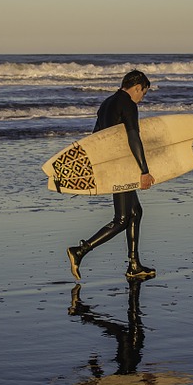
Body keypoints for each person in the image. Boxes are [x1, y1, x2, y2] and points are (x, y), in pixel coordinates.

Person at [67, 70, 157, 281]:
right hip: (120, 167)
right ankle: (80, 251)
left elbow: (96, 137)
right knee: (123, 218)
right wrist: (144, 171)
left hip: (111, 164)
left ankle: (134, 265)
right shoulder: (128, 104)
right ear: (137, 87)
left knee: (136, 212)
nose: (141, 98)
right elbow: (134, 136)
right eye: (143, 93)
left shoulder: (107, 102)